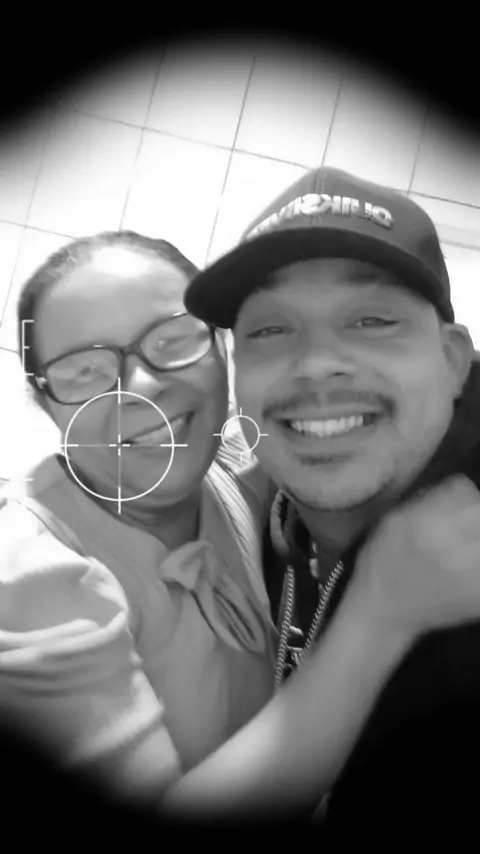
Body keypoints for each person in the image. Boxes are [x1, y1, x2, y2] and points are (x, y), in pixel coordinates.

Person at [2, 224, 480, 830]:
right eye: (84, 371)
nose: (140, 387)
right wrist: (381, 612)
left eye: (172, 340)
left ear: (222, 353)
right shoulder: (30, 576)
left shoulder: (231, 471)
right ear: (45, 402)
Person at [184, 165, 480, 833]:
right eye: (269, 330)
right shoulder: (246, 525)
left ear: (453, 361)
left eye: (372, 319)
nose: (317, 362)